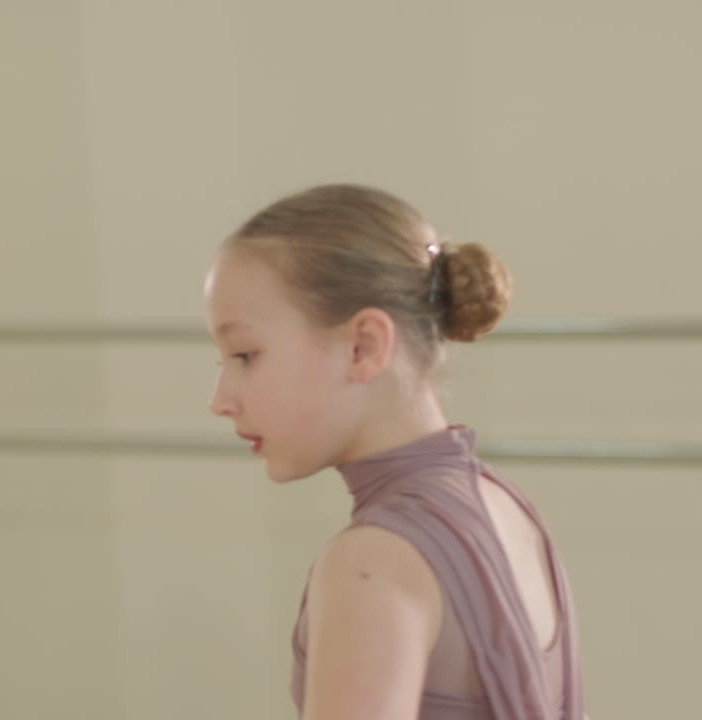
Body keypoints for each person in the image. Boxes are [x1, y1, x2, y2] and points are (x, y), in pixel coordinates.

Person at [205, 184, 585, 720]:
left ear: (364, 345)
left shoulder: (371, 562)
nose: (221, 400)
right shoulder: (508, 506)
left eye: (245, 354)